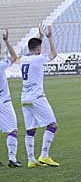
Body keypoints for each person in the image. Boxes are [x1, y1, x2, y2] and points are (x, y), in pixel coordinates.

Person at [21, 23, 60, 167]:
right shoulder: (38, 58)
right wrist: (49, 38)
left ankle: (31, 160)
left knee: (30, 129)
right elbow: (53, 55)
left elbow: (35, 48)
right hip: (37, 97)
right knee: (52, 125)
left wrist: (40, 37)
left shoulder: (24, 59)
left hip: (24, 98)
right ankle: (44, 155)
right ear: (38, 49)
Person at [0, 29, 20, 166]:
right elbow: (14, 57)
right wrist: (6, 41)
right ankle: (12, 159)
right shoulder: (1, 65)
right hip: (3, 101)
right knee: (12, 130)